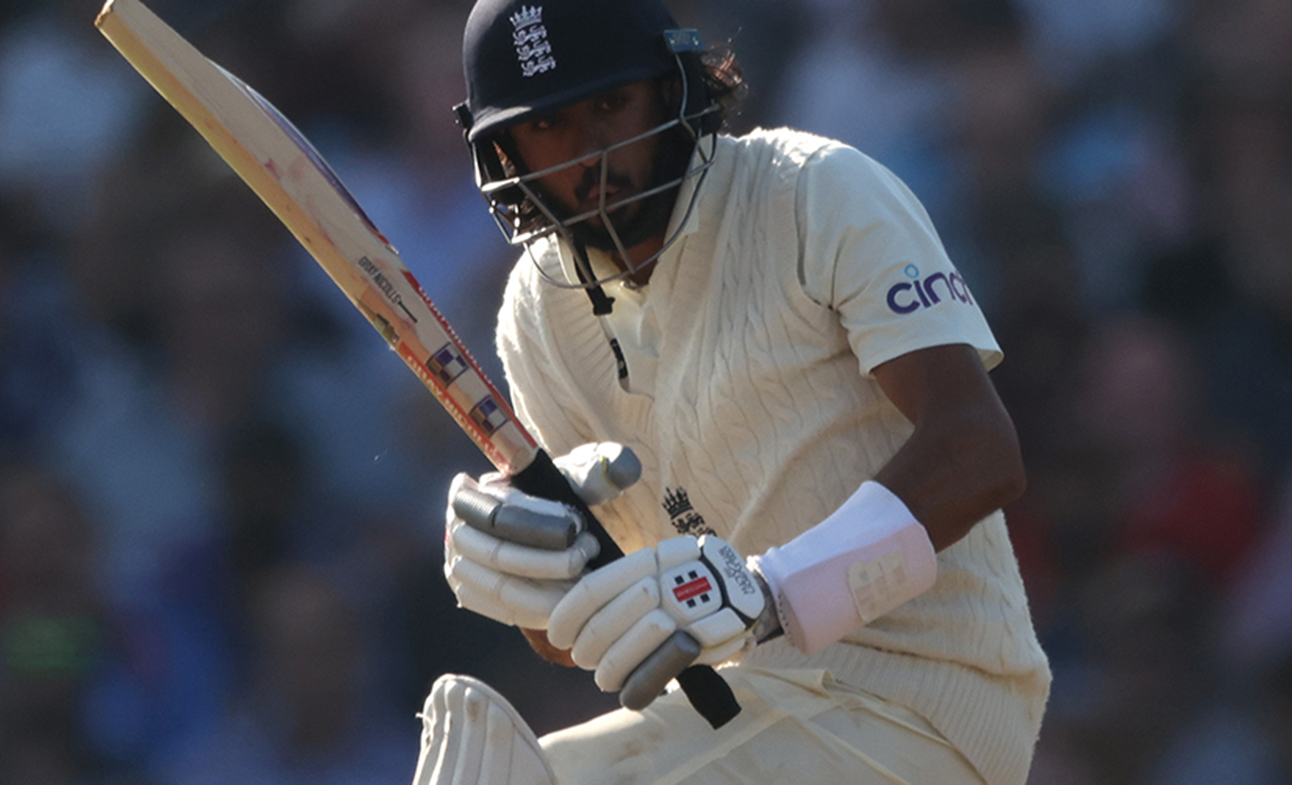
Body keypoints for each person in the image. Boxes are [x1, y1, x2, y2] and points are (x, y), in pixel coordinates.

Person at [416, 1, 1051, 783]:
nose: (589, 156)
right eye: (549, 127)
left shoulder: (816, 191)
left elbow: (981, 452)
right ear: (504, 150)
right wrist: (527, 572)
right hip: (742, 712)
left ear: (674, 83)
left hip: (928, 703)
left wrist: (768, 589)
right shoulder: (538, 312)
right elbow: (586, 631)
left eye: (611, 105)